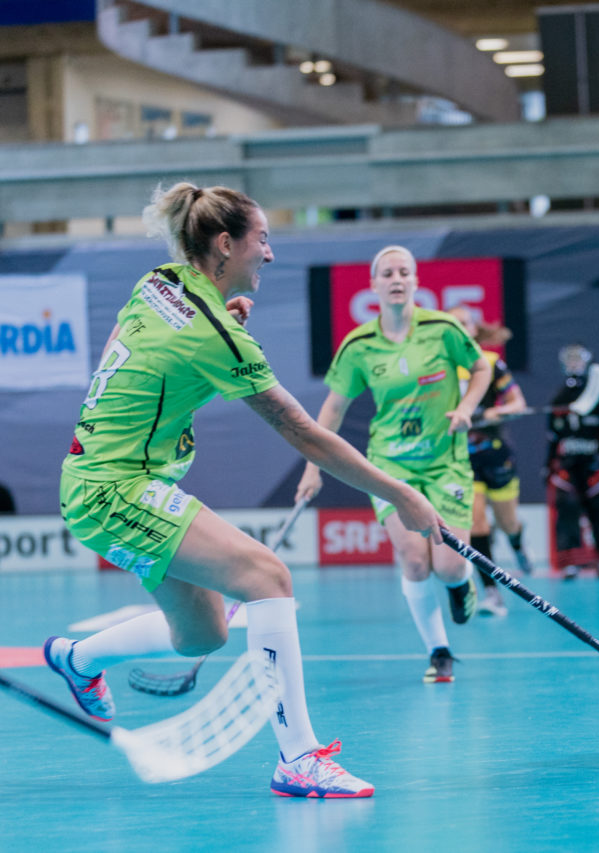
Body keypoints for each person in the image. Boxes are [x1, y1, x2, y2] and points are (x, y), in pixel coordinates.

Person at [48, 183, 448, 797]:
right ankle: (299, 757)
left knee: (203, 634)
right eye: (262, 238)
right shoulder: (217, 337)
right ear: (226, 243)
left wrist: (210, 333)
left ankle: (77, 659)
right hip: (115, 488)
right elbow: (305, 434)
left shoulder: (159, 282)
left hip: (101, 475)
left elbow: (136, 352)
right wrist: (400, 494)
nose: (270, 252)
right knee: (267, 578)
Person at [295, 246, 490, 683]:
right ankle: (438, 652)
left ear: (417, 282)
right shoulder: (358, 345)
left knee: (448, 565)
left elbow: (480, 369)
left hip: (445, 463)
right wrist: (312, 468)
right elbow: (332, 410)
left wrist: (468, 408)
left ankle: (461, 584)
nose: (397, 278)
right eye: (388, 273)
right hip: (391, 467)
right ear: (374, 285)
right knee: (414, 561)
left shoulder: (443, 330)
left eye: (405, 272)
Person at [448, 304, 534, 618]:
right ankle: (492, 591)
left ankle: (517, 542)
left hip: (495, 452)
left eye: (465, 323)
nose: (460, 328)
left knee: (507, 521)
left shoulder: (490, 363)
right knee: (477, 523)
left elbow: (517, 402)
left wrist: (496, 411)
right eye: (453, 324)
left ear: (474, 329)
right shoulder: (440, 367)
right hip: (460, 458)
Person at [546, 343, 599, 579]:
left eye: (578, 361)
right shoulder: (559, 398)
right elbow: (552, 437)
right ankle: (570, 563)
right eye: (569, 361)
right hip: (568, 466)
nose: (574, 365)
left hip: (595, 467)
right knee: (566, 510)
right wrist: (548, 465)